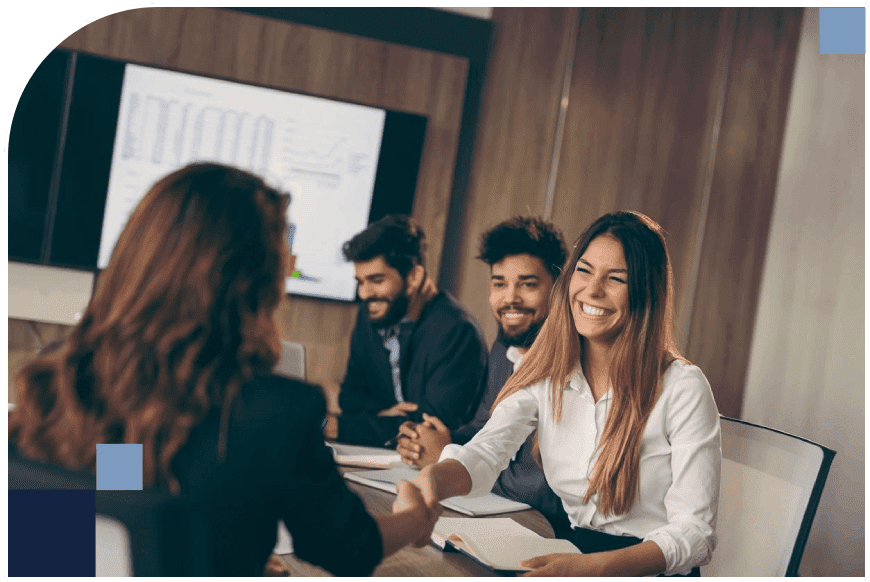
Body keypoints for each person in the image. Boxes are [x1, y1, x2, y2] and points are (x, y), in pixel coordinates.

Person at [8, 163, 440, 577]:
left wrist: (219, 549)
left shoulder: (57, 379)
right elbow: (349, 550)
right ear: (258, 281)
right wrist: (415, 519)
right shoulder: (274, 411)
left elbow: (100, 511)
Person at [413, 211, 721, 577]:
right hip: (572, 550)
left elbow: (695, 534)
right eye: (585, 270)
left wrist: (590, 569)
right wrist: (431, 483)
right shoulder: (548, 371)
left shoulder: (683, 387)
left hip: (642, 567)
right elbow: (486, 452)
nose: (592, 290)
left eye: (616, 279)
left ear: (645, 291)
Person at [396, 216, 571, 532]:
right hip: (501, 518)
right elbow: (486, 424)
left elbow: (544, 488)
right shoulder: (506, 343)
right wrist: (435, 440)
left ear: (559, 289)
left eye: (528, 284)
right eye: (499, 283)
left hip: (552, 532)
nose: (510, 298)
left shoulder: (574, 360)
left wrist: (448, 458)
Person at [324, 214, 488, 447]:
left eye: (376, 280)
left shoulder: (458, 331)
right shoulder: (371, 314)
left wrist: (340, 427)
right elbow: (351, 397)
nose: (364, 293)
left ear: (414, 277)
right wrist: (385, 414)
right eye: (360, 282)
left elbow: (432, 426)